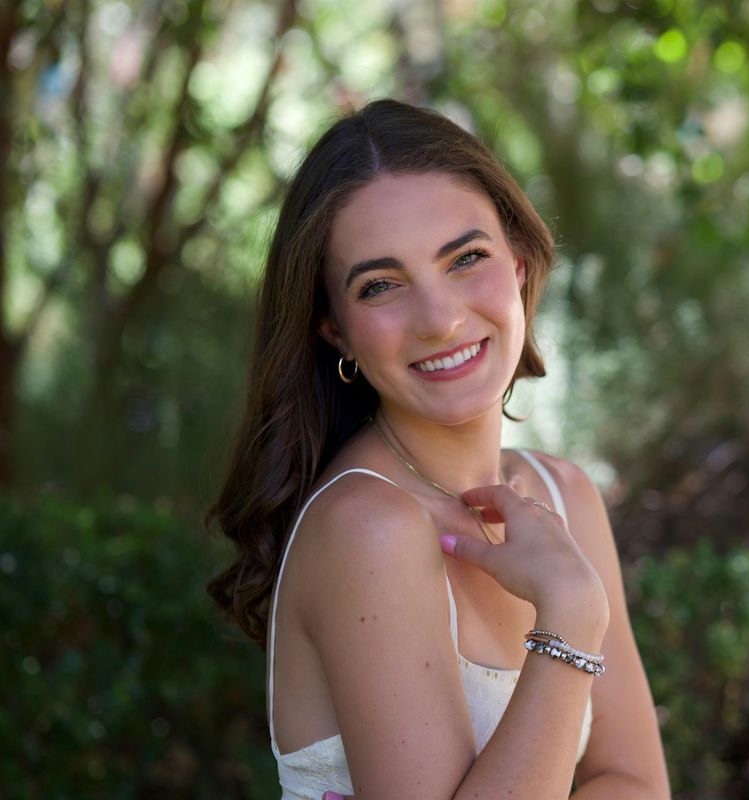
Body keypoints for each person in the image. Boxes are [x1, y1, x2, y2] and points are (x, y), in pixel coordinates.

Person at [207, 100, 670, 799]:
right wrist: (571, 618)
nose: (440, 319)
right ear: (335, 330)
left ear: (519, 263)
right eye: (381, 285)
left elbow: (633, 782)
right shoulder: (367, 527)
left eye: (466, 258)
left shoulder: (565, 495)